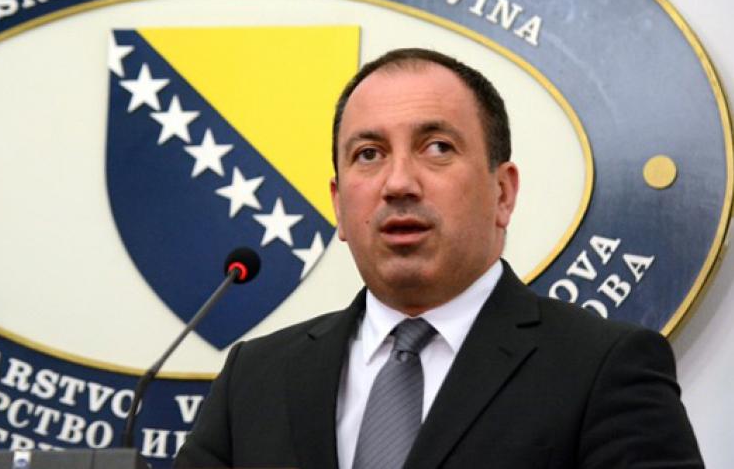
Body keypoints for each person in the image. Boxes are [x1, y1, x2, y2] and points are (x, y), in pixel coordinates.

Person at [174, 48, 703, 468]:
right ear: (338, 205)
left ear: (503, 193)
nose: (398, 183)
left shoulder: (602, 367)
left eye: (437, 148)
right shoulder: (253, 379)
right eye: (368, 154)